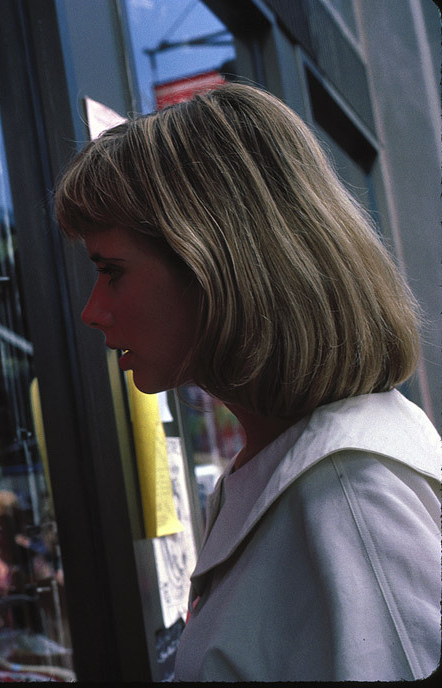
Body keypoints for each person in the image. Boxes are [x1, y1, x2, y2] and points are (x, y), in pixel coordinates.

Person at [52, 82, 441, 681]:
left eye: (112, 272)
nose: (93, 309)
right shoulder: (294, 470)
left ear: (214, 265)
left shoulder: (349, 496)